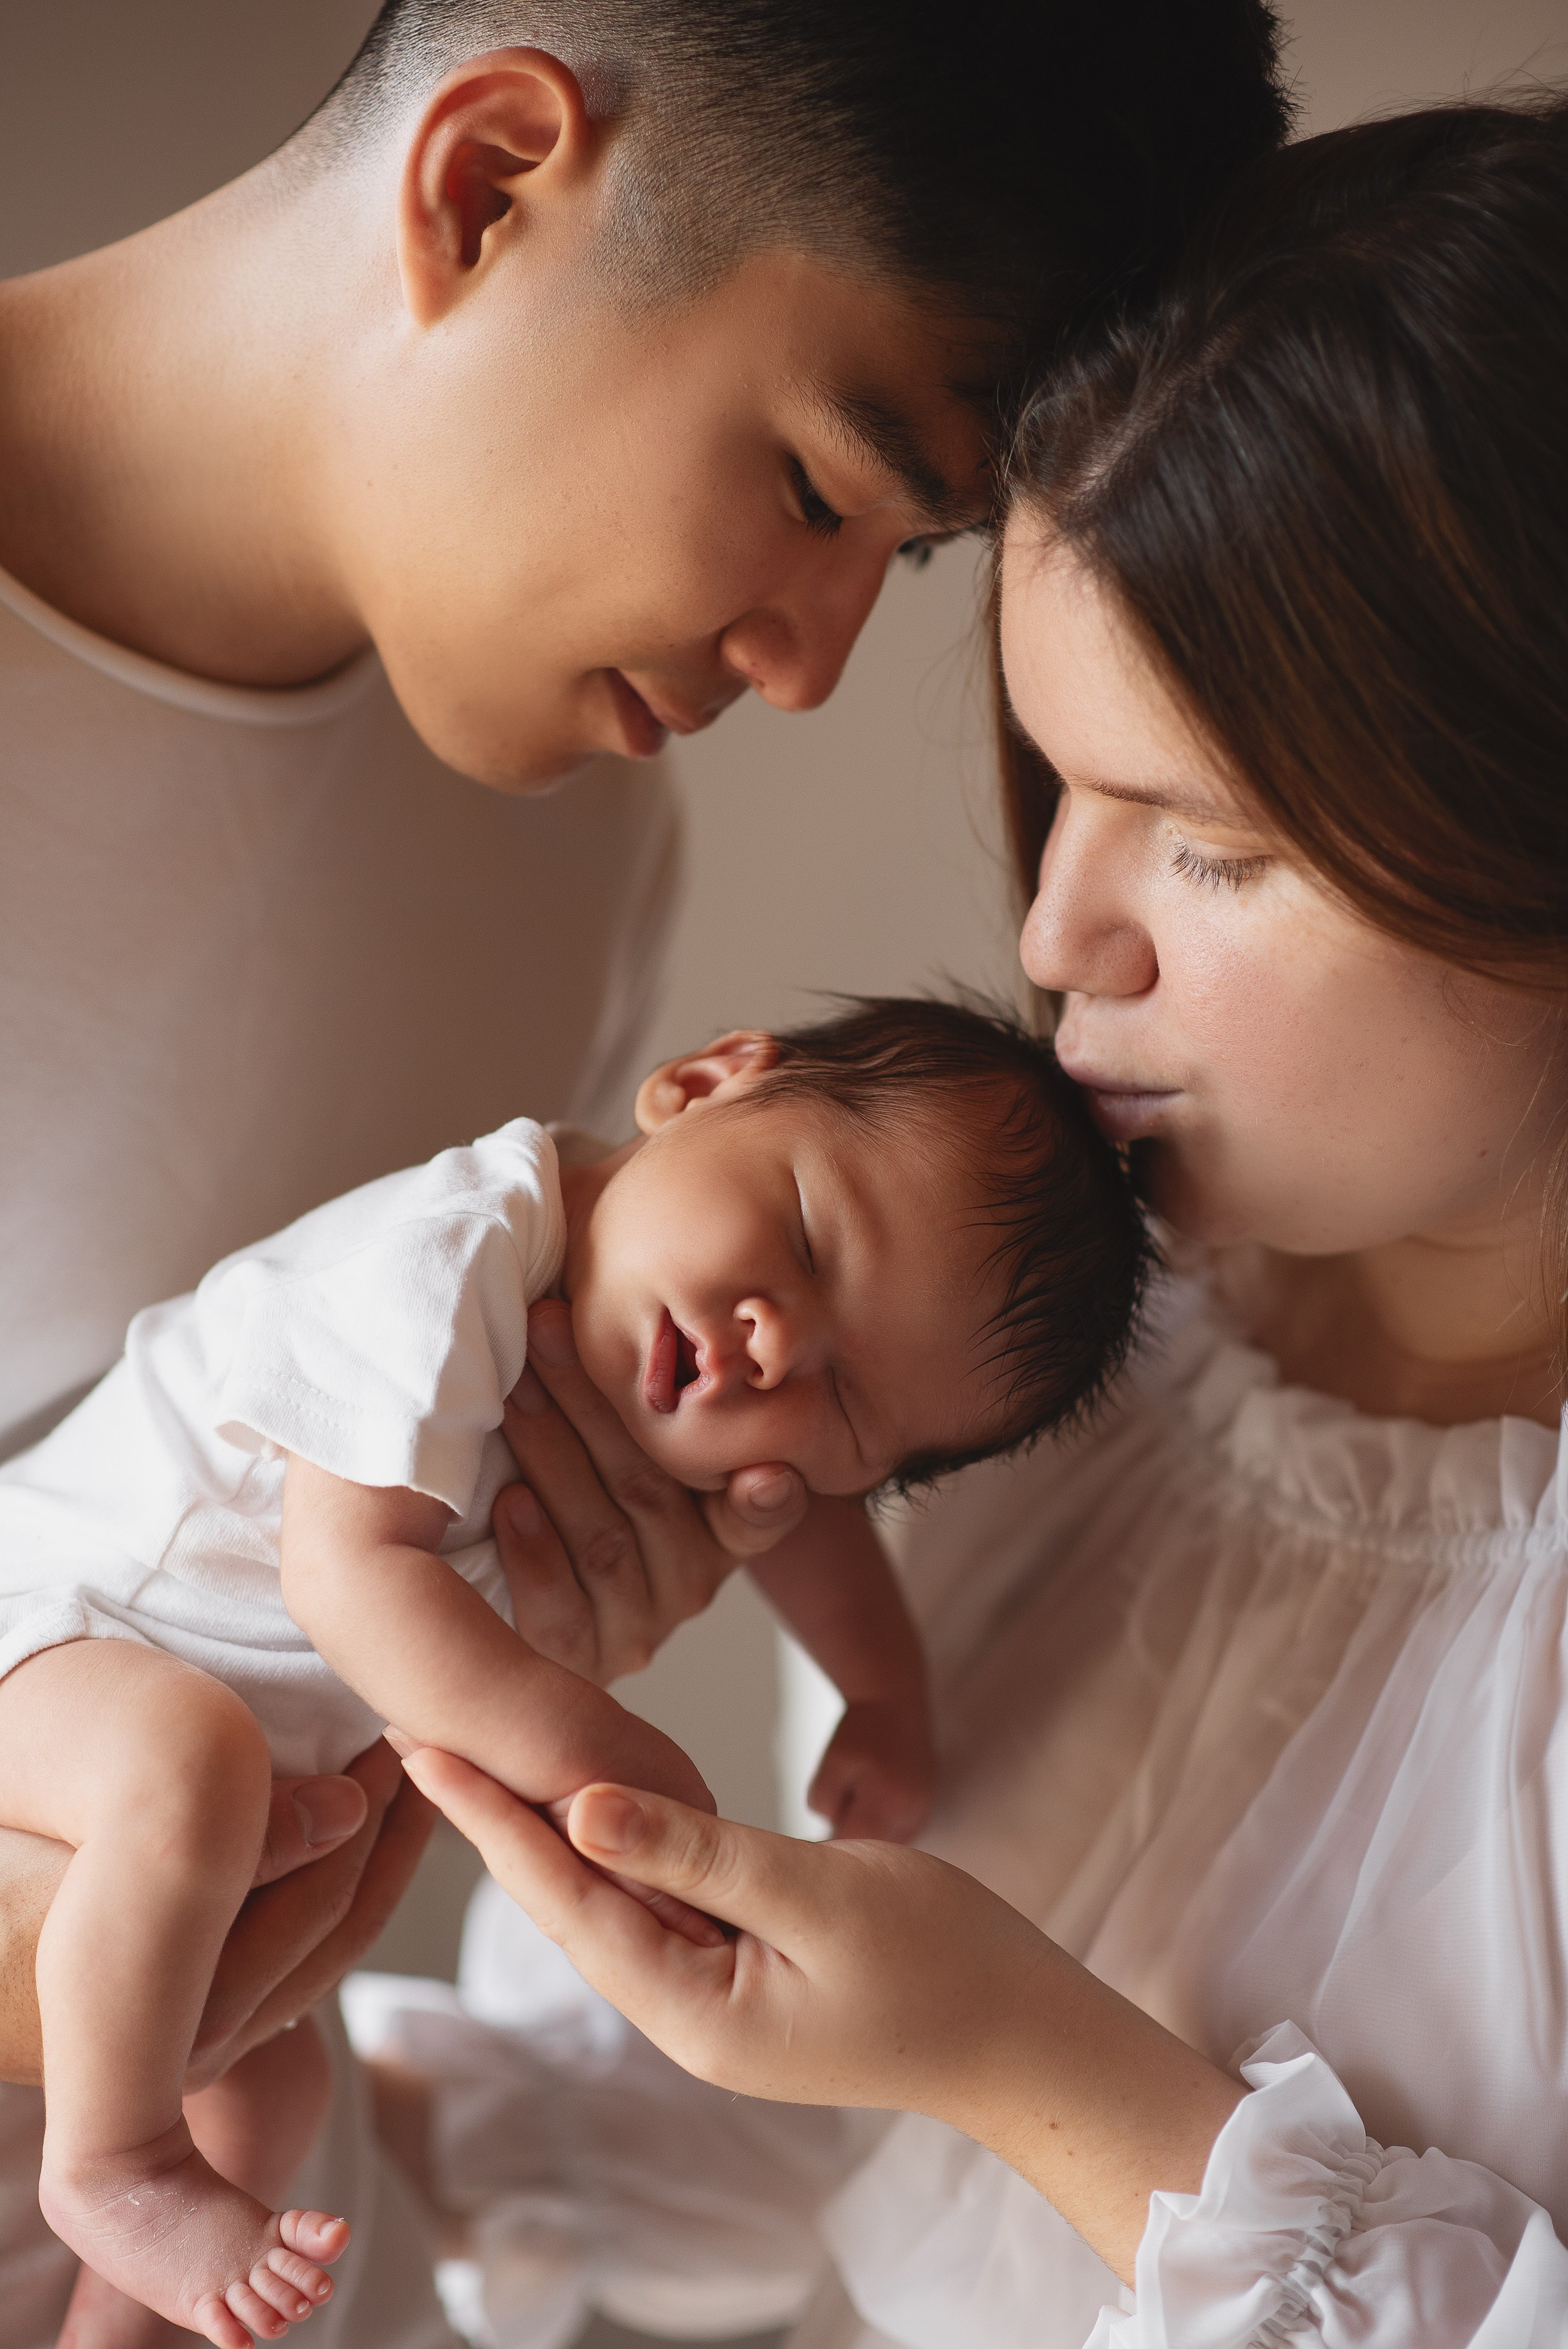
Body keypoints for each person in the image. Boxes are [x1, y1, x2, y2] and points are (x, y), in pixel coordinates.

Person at [0, 2, 1292, 2340]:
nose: (802, 666)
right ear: (485, 180)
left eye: (895, 571)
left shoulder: (559, 858)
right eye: (814, 486)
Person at [385, 95, 1568, 2349]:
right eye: (1053, 791)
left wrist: (1030, 2061)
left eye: (1198, 843)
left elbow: (978, 2092)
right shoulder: (1094, 1369)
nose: (1051, 936)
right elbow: (863, 2176)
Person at [0, 995, 1143, 2347]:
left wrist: (884, 1692)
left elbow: (801, 1524)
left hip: (194, 1768)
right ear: (703, 1083)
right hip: (58, 1632)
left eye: (839, 1401)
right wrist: (599, 1757)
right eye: (806, 1238)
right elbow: (352, 1574)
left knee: (275, 2088)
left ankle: (118, 2320)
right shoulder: (454, 1254)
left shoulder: (707, 1392)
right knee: (188, 1767)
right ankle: (114, 2165)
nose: (773, 1341)